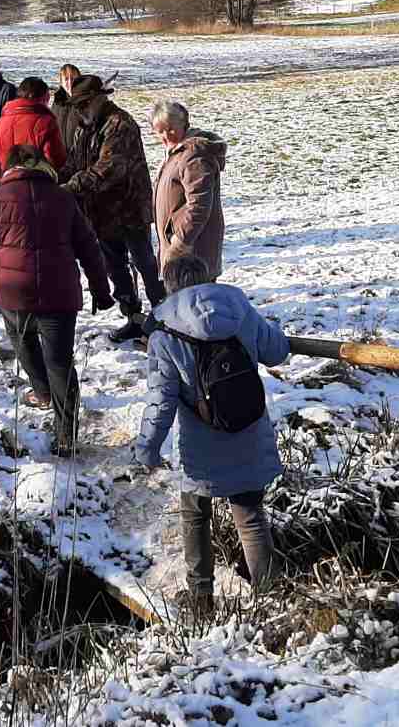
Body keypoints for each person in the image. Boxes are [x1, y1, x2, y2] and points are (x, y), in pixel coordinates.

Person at [134, 254, 290, 619]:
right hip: (248, 431)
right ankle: (272, 602)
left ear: (168, 285)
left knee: (195, 516)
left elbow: (161, 401)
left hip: (200, 446)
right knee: (251, 518)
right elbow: (276, 351)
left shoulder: (163, 331)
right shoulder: (237, 307)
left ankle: (201, 601)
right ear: (207, 278)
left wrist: (148, 449)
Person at [0, 144, 113, 452]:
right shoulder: (63, 198)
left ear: (8, 169)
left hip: (13, 292)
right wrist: (101, 290)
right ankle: (66, 437)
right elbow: (89, 247)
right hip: (59, 293)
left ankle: (41, 392)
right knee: (60, 363)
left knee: (23, 342)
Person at [60, 74, 164, 343]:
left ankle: (164, 318)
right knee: (115, 268)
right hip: (101, 213)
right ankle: (133, 317)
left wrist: (68, 188)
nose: (80, 110)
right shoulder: (85, 127)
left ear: (99, 99)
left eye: (84, 104)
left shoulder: (120, 124)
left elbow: (108, 169)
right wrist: (52, 179)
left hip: (129, 210)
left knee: (145, 264)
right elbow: (74, 162)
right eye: (77, 106)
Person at [150, 100, 226, 279]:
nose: (166, 135)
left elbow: (199, 204)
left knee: (196, 295)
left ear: (184, 124)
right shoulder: (177, 152)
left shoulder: (193, 155)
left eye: (171, 129)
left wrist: (180, 242)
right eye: (160, 131)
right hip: (181, 251)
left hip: (192, 253)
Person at [0, 77, 67, 183]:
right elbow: (56, 159)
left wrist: (4, 180)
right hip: (39, 184)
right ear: (44, 98)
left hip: (8, 184)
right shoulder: (47, 122)